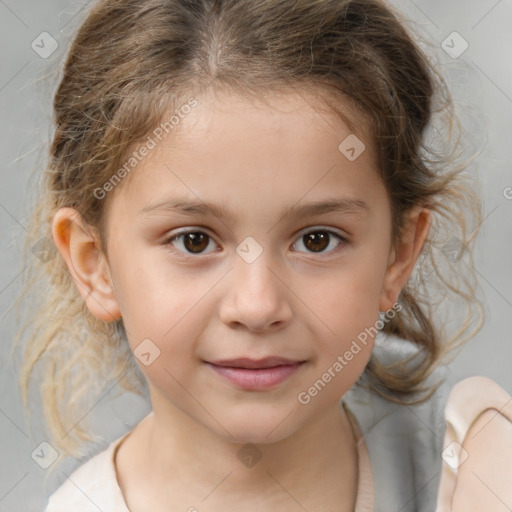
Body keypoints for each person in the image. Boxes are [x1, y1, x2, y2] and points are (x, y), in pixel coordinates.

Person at [13, 0, 502, 510]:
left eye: (317, 240)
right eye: (194, 240)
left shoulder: (469, 461)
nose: (257, 306)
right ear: (95, 265)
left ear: (398, 255)